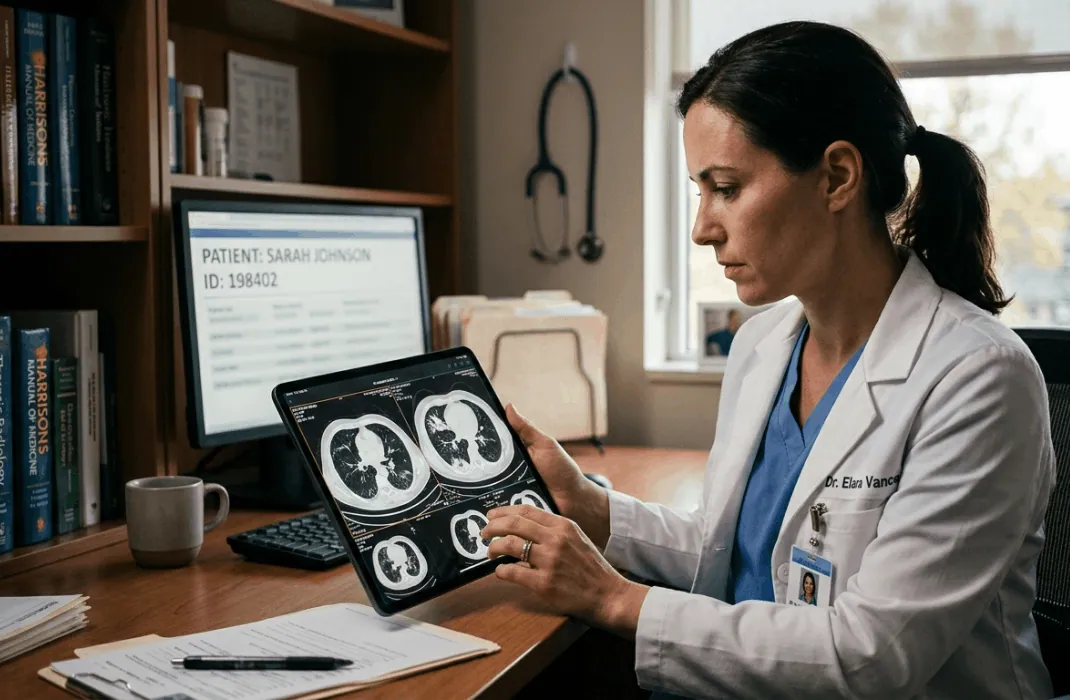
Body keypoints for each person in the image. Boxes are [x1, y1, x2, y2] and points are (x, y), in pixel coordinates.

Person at [481, 20, 1055, 700]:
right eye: (699, 191)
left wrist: (613, 599)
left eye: (725, 187)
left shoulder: (979, 376)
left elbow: (868, 658)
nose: (701, 227)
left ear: (838, 177)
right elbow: (734, 551)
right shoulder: (764, 344)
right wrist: (590, 507)